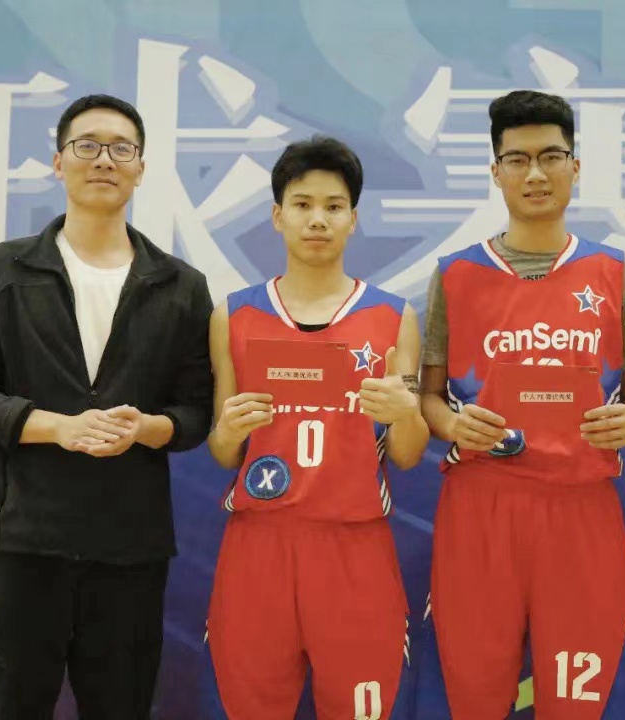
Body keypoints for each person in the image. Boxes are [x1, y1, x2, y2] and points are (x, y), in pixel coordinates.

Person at [0, 94, 215, 719]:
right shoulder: (2, 271)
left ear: (141, 168)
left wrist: (149, 428)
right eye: (87, 145)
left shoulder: (180, 286)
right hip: (25, 545)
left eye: (121, 148)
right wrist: (57, 427)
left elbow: (199, 411)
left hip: (131, 550)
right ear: (58, 162)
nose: (104, 160)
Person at [417, 89, 625, 719]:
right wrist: (455, 425)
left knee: (583, 695)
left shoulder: (615, 271)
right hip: (481, 503)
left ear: (576, 166)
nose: (536, 174)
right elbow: (429, 397)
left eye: (551, 156)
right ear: (495, 172)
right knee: (471, 689)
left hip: (581, 502)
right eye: (518, 160)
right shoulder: (455, 274)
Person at [205, 135, 429, 719]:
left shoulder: (393, 317)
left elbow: (408, 454)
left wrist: (404, 413)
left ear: (354, 218)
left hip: (355, 542)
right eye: (302, 204)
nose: (318, 220)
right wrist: (228, 431)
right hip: (260, 541)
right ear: (277, 215)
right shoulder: (233, 314)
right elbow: (224, 451)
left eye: (334, 206)